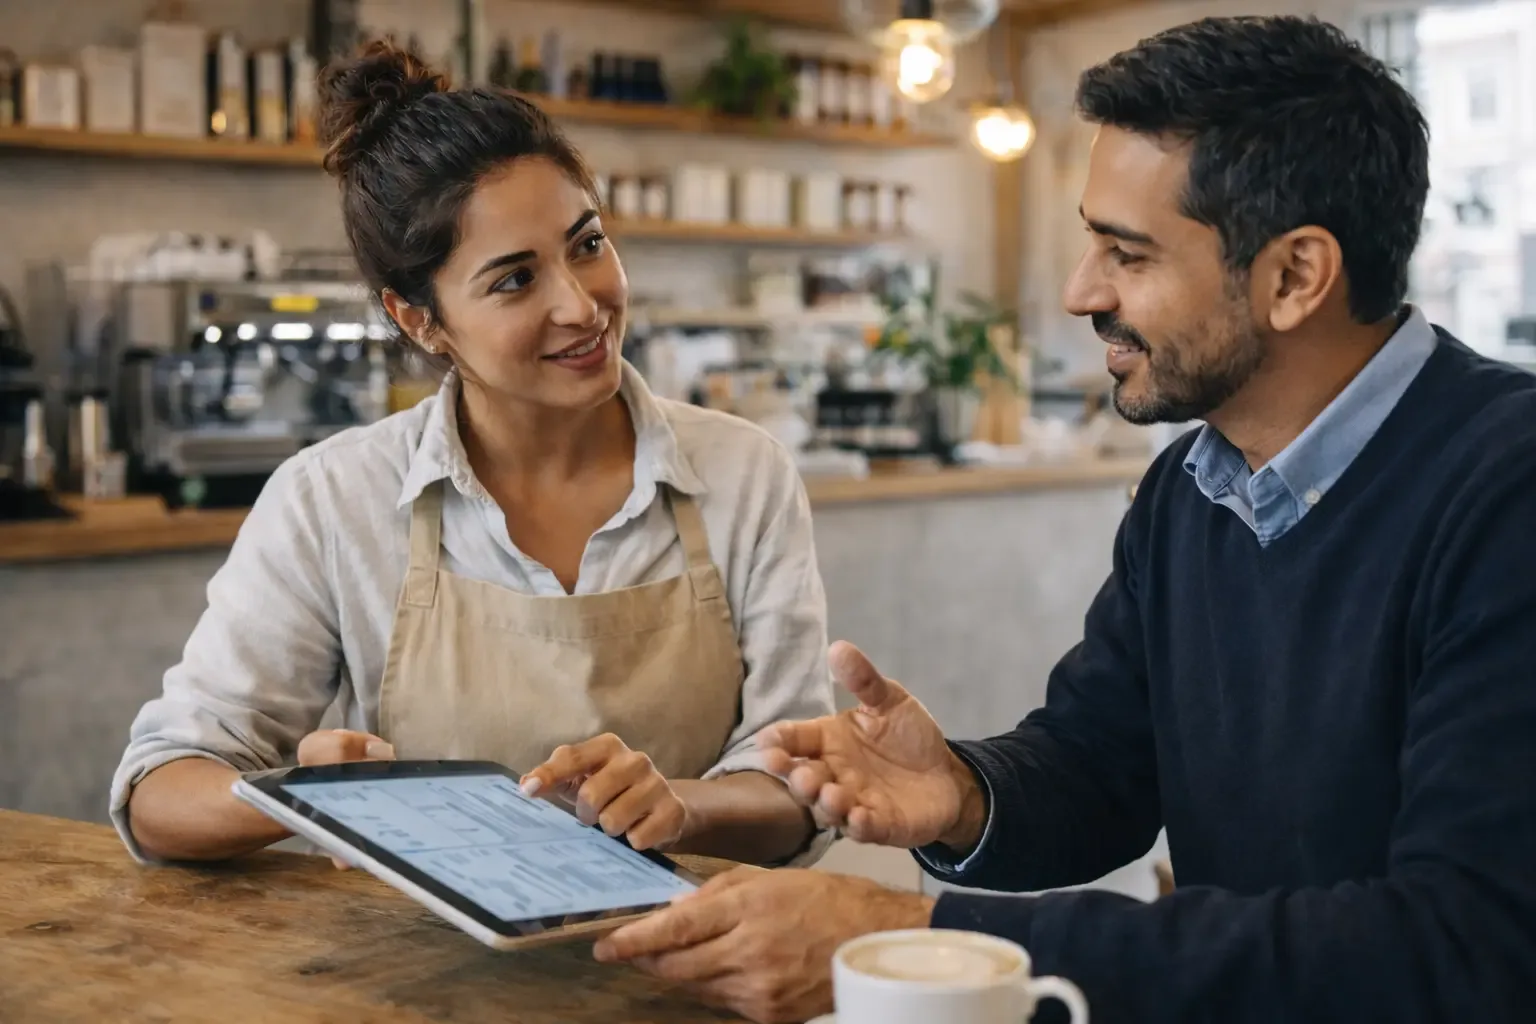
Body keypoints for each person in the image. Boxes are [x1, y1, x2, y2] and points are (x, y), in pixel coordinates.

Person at [592, 15, 1536, 1024]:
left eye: (1126, 254)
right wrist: (961, 789)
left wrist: (922, 946)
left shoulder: (1505, 491)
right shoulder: (1192, 490)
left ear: (1295, 275)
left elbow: (1463, 949)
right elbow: (1102, 765)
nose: (1082, 290)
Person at [110, 42, 832, 871]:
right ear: (420, 320)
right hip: (424, 988)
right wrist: (298, 800)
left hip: (703, 968)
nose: (580, 304)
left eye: (587, 244)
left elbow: (796, 792)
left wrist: (680, 806)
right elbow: (160, 789)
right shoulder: (332, 499)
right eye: (514, 281)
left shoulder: (744, 473)